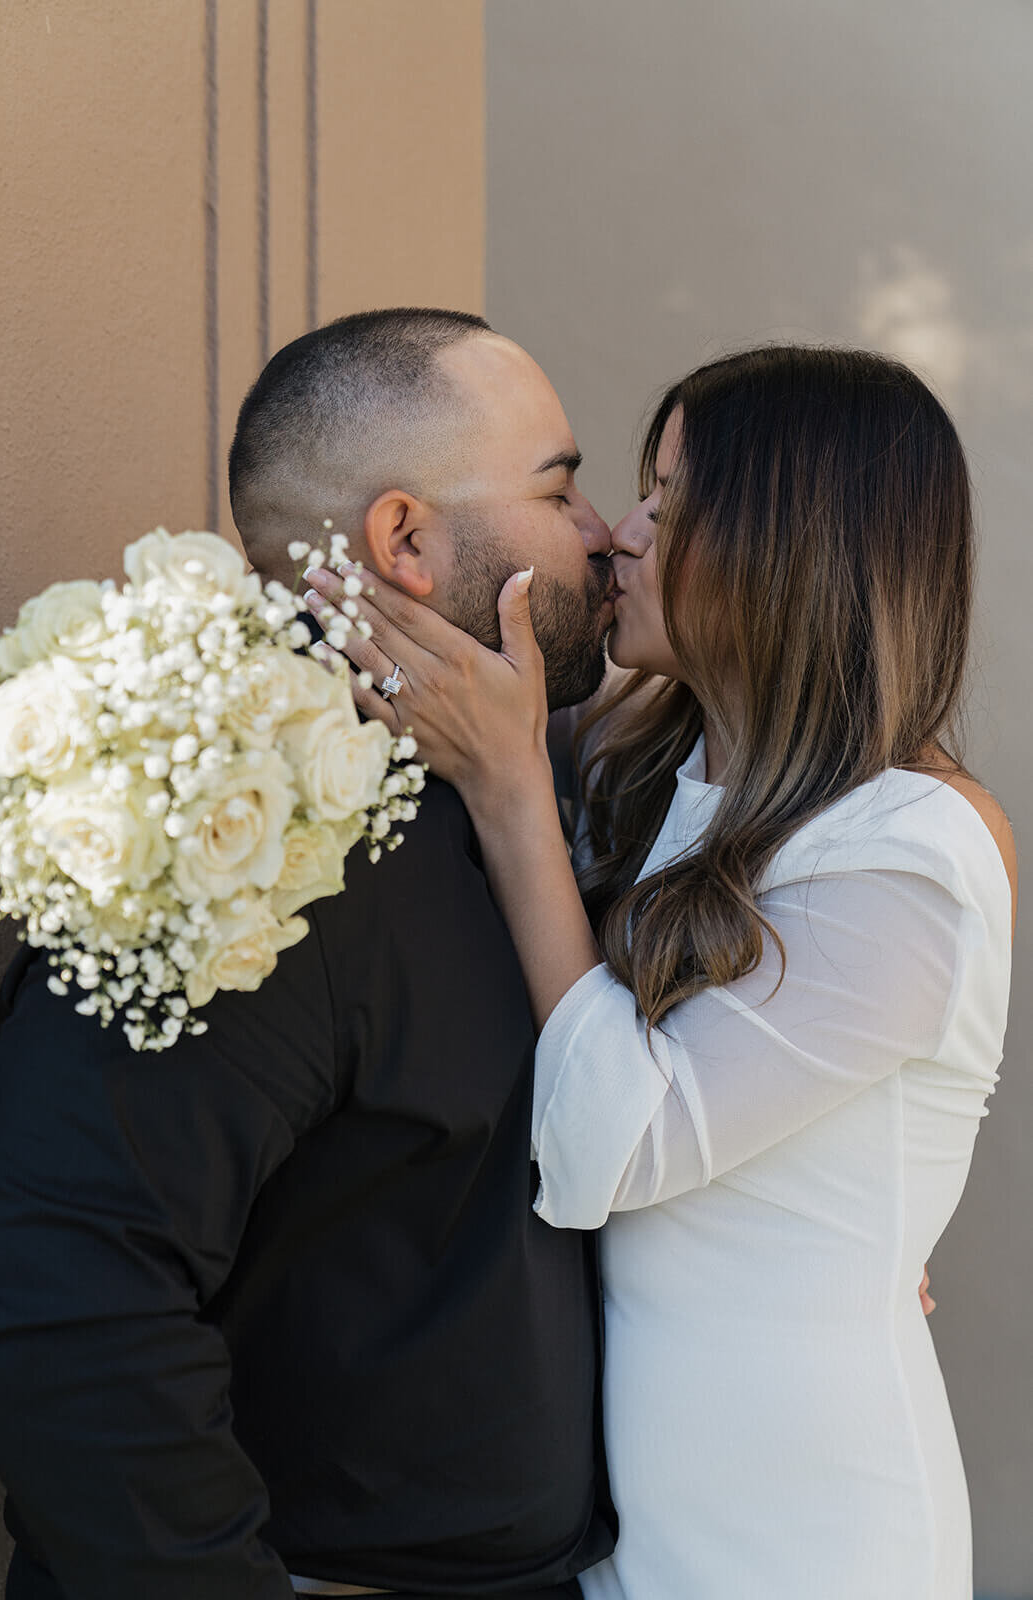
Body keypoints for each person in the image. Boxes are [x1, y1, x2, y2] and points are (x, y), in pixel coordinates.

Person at [305, 345, 1017, 1600]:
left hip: (802, 1532)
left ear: (791, 546)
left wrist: (510, 794)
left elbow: (612, 1153)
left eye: (670, 503)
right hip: (623, 1517)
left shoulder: (907, 852)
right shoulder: (646, 776)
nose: (620, 535)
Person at [0, 308, 619, 1600]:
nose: (598, 530)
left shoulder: (508, 793)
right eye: (559, 489)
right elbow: (68, 1302)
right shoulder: (234, 840)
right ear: (404, 540)